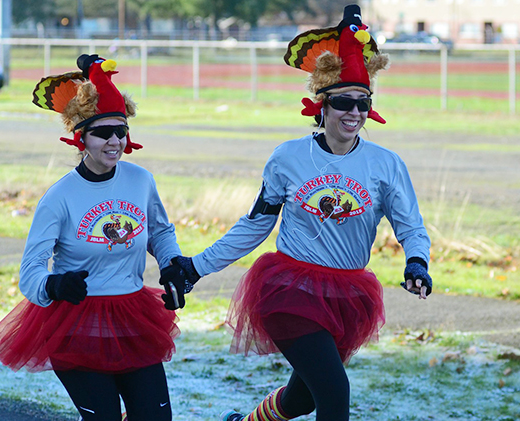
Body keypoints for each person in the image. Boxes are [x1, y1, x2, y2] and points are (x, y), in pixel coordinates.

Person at [164, 5, 432, 421]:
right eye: (344, 102)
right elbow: (256, 224)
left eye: (363, 103)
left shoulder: (386, 164)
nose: (355, 113)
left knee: (304, 397)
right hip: (289, 289)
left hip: (347, 295)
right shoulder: (288, 158)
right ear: (321, 104)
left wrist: (417, 260)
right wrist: (196, 267)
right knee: (334, 392)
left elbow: (410, 224)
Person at [0, 54, 187, 420]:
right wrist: (56, 285)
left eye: (121, 131)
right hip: (78, 326)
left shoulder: (141, 181)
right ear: (80, 138)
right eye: (103, 132)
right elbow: (30, 274)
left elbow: (159, 232)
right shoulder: (59, 197)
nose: (114, 141)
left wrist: (171, 264)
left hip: (133, 318)